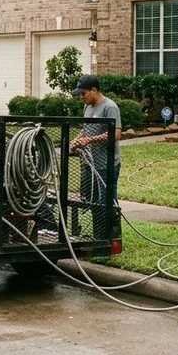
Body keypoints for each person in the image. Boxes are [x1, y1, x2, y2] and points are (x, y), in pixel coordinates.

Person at [69, 74, 121, 238]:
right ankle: (98, 237)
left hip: (106, 165)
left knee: (107, 202)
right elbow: (86, 130)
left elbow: (116, 134)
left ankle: (112, 238)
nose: (81, 97)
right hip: (90, 165)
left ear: (94, 90)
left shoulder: (110, 107)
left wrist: (89, 140)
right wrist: (75, 141)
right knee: (93, 202)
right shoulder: (87, 108)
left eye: (83, 93)